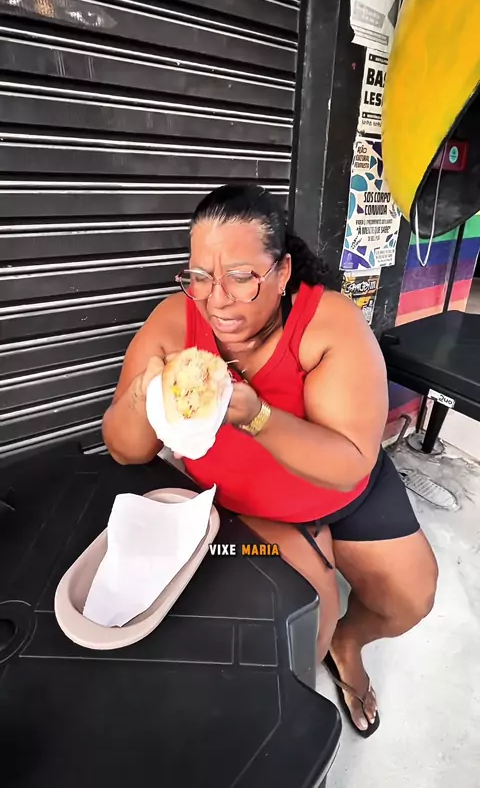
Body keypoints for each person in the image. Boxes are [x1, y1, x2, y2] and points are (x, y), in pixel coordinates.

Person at [103, 183, 438, 737]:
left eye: (241, 277)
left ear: (282, 273)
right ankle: (325, 646)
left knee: (410, 599)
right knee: (307, 623)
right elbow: (125, 448)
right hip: (252, 509)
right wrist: (142, 395)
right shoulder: (174, 323)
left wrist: (258, 416)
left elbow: (350, 462)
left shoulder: (327, 325)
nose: (217, 300)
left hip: (348, 493)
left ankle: (350, 644)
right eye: (201, 276)